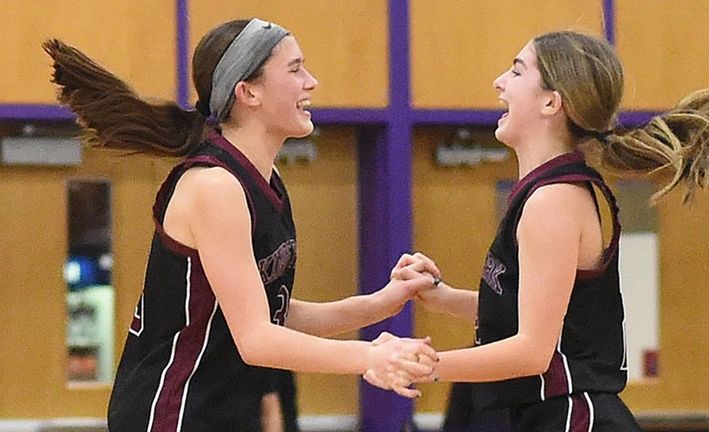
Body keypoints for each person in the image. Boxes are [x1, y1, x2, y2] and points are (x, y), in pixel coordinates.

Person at [44, 17, 439, 432]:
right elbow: (256, 339)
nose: (312, 82)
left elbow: (271, 312)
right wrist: (370, 357)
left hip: (223, 408)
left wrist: (383, 302)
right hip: (173, 412)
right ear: (248, 92)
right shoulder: (216, 186)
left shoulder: (263, 181)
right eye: (295, 69)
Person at [366, 30, 709, 431]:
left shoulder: (553, 201)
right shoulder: (545, 192)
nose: (500, 82)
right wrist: (445, 299)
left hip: (575, 417)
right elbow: (550, 316)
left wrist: (419, 364)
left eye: (517, 71)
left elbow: (533, 351)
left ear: (551, 102)